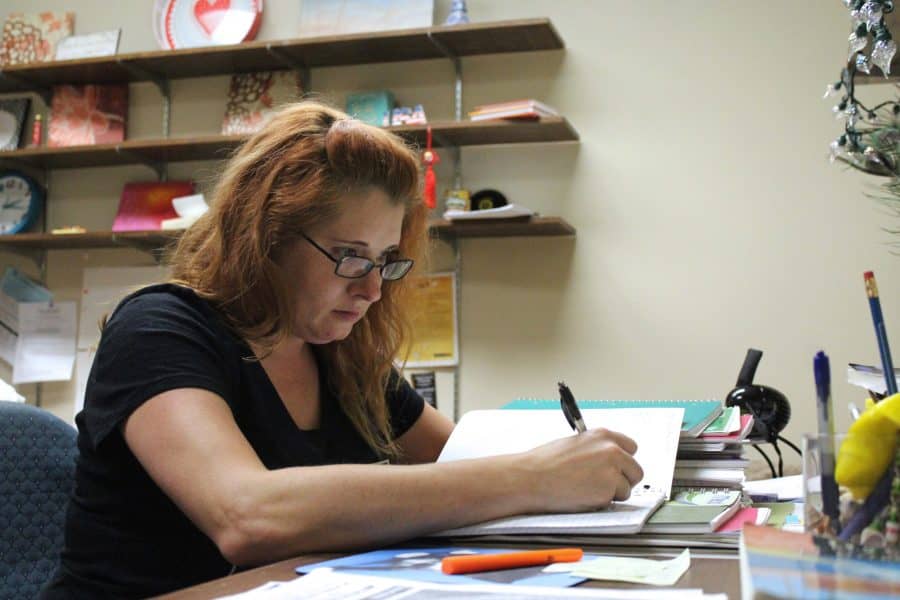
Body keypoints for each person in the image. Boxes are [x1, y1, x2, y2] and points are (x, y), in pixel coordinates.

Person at [40, 101, 643, 598]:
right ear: (266, 236)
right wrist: (529, 477)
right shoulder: (159, 330)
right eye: (351, 256)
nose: (373, 288)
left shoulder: (337, 354)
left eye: (385, 261)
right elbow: (246, 515)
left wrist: (576, 461)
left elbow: (460, 456)